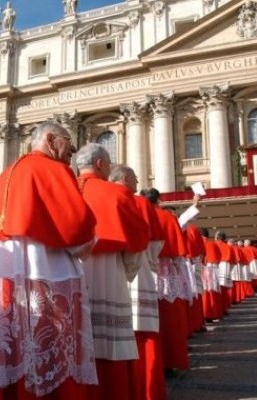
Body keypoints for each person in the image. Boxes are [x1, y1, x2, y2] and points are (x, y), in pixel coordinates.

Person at [0, 122, 98, 400]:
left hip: (7, 279)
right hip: (46, 276)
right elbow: (78, 229)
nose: (73, 151)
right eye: (68, 142)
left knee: (13, 347)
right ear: (52, 140)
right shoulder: (53, 170)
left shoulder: (5, 175)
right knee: (48, 355)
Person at [75, 147, 149, 400]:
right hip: (108, 270)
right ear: (100, 164)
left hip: (68, 270)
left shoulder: (66, 189)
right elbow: (137, 241)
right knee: (110, 343)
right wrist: (127, 272)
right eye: (109, 164)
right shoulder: (116, 192)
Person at [110, 165, 166, 400]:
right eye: (134, 178)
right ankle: (146, 387)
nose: (137, 181)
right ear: (125, 179)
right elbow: (155, 241)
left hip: (110, 272)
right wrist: (150, 263)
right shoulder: (141, 204)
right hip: (138, 268)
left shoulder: (99, 196)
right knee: (141, 331)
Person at [141, 188, 190, 373]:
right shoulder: (168, 218)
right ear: (159, 200)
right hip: (166, 271)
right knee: (169, 318)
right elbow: (178, 252)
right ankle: (170, 360)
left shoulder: (138, 214)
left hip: (142, 271)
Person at [200, 228, 223, 321]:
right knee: (212, 291)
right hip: (213, 268)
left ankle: (206, 312)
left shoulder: (199, 242)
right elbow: (219, 256)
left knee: (204, 292)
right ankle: (214, 313)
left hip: (203, 267)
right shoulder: (213, 244)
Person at [214, 231, 235, 314]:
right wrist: (229, 270)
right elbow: (233, 262)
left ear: (217, 237)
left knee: (215, 290)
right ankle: (224, 309)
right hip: (225, 266)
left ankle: (216, 309)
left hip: (214, 266)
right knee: (224, 290)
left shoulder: (213, 244)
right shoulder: (228, 247)